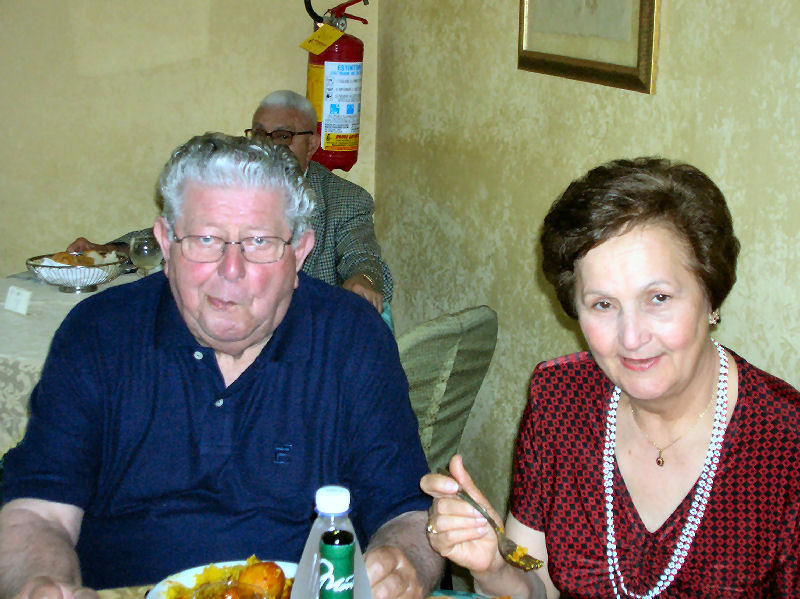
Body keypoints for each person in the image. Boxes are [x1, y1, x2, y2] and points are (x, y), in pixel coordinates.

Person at [0, 133, 442, 598]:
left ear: (299, 252)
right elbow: (37, 512)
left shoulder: (352, 338)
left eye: (259, 241)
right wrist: (40, 584)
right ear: (166, 243)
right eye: (206, 239)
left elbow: (408, 514)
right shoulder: (98, 332)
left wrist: (405, 564)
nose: (231, 269)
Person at [421, 157, 800, 598]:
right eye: (603, 304)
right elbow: (535, 581)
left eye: (658, 298)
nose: (632, 337)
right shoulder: (559, 399)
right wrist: (494, 566)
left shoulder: (786, 445)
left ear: (710, 296)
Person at [69, 90, 391, 313]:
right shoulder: (238, 183)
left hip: (302, 332)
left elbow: (363, 257)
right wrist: (110, 251)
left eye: (283, 136)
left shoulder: (345, 200)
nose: (270, 146)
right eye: (260, 135)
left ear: (312, 144)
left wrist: (363, 280)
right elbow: (187, 232)